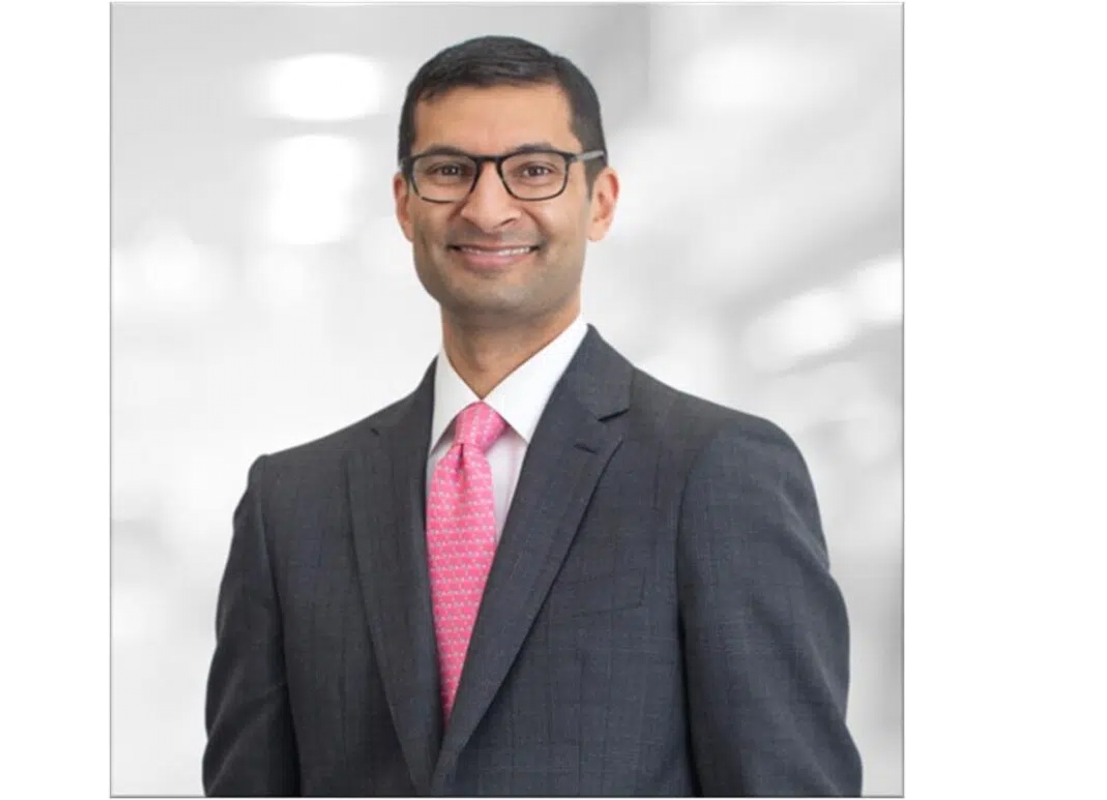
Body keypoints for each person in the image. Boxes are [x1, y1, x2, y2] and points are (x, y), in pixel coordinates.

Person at [203, 34, 862, 797]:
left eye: (535, 171)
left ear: (600, 201)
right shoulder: (292, 504)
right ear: (405, 204)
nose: (488, 209)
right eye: (449, 171)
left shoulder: (717, 471)